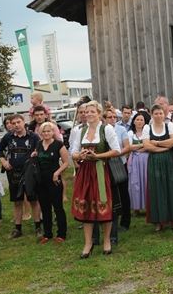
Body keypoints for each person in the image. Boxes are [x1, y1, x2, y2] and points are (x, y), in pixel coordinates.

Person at [69, 100, 121, 258]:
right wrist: (79, 155)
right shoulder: (80, 130)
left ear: (99, 113)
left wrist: (97, 156)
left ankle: (106, 241)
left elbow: (116, 150)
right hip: (85, 172)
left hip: (101, 171)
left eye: (92, 111)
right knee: (86, 206)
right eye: (86, 112)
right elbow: (73, 151)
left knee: (103, 206)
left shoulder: (107, 129)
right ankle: (88, 243)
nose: (88, 114)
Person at [0, 114, 41, 239]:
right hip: (14, 173)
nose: (16, 125)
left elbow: (41, 149)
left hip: (30, 172)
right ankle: (18, 228)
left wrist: (36, 153)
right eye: (14, 123)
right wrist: (4, 162)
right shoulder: (8, 137)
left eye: (18, 122)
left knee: (33, 200)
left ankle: (38, 226)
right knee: (17, 201)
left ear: (23, 122)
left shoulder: (33, 136)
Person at [144, 104, 173, 231]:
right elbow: (147, 146)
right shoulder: (146, 128)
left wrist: (158, 143)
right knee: (156, 188)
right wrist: (163, 149)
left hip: (169, 161)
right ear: (152, 115)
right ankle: (158, 220)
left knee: (171, 187)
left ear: (163, 114)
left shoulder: (169, 125)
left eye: (160, 113)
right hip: (155, 160)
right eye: (156, 113)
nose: (159, 115)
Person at [33, 122, 69, 244]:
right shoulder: (38, 144)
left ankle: (61, 234)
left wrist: (57, 173)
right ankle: (47, 234)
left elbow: (66, 162)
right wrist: (34, 155)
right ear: (41, 133)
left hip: (54, 180)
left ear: (53, 132)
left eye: (49, 131)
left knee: (58, 207)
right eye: (44, 131)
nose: (46, 133)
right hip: (41, 180)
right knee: (45, 207)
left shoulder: (59, 145)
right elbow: (36, 157)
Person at [103, 109, 131, 232]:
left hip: (120, 163)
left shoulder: (121, 129)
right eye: (110, 117)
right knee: (109, 193)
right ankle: (108, 218)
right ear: (104, 118)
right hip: (105, 165)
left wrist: (115, 153)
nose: (113, 119)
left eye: (115, 116)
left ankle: (125, 221)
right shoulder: (101, 130)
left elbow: (127, 147)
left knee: (123, 193)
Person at [127, 112, 150, 213]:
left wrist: (138, 147)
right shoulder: (130, 133)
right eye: (137, 119)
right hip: (135, 160)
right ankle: (136, 207)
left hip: (146, 160)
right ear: (134, 121)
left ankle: (148, 205)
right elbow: (129, 147)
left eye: (142, 120)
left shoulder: (148, 133)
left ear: (145, 122)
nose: (139, 122)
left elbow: (150, 145)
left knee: (146, 181)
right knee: (135, 182)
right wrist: (143, 146)